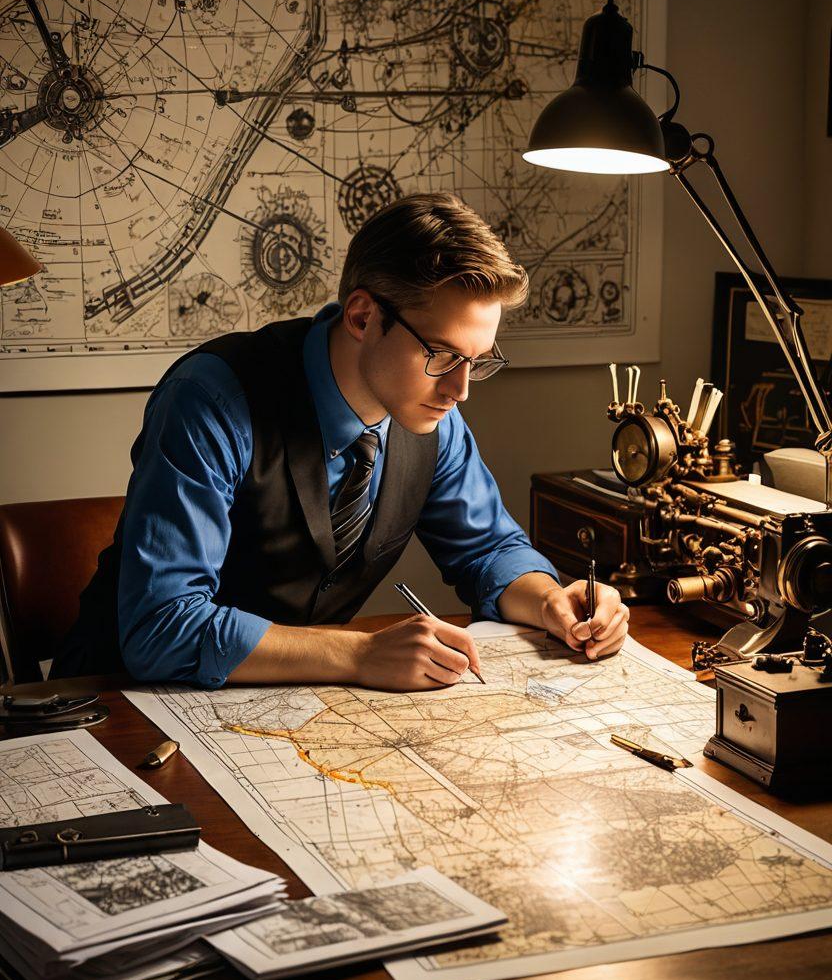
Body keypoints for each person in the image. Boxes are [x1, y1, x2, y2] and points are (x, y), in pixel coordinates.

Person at [52, 192, 629, 691]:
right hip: (120, 706)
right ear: (361, 317)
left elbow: (490, 552)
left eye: (477, 362)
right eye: (442, 355)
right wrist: (357, 653)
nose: (460, 389)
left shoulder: (432, 412)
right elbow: (162, 625)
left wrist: (551, 601)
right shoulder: (211, 400)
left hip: (291, 707)